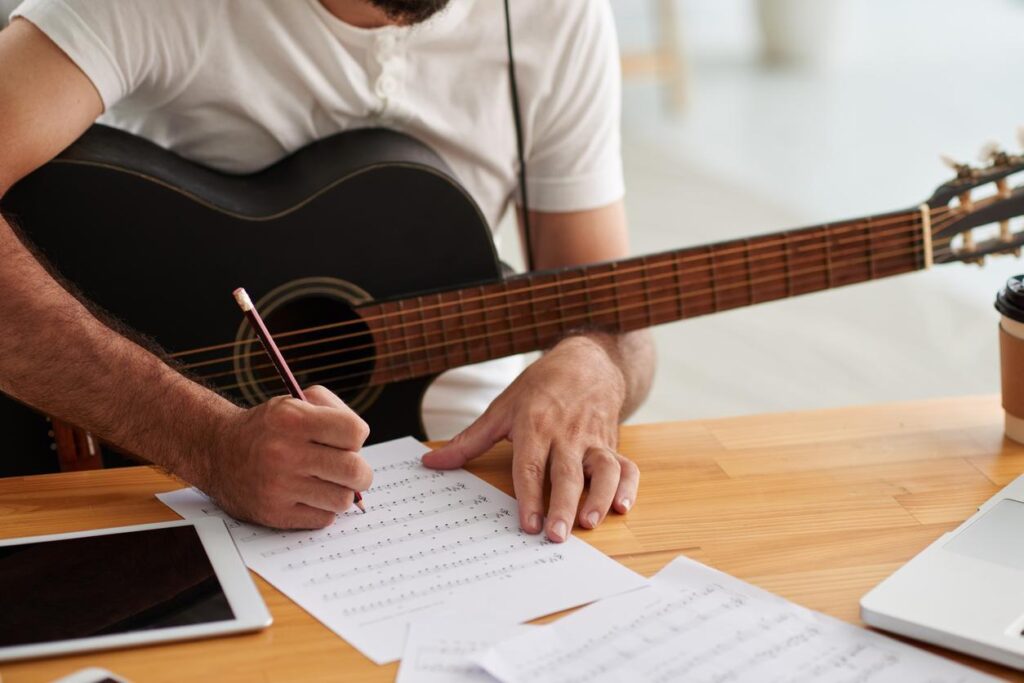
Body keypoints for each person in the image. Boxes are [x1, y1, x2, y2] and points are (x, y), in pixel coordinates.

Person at [0, 0, 655, 543]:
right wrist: (206, 441)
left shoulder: (556, 13)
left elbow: (608, 309)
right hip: (152, 477)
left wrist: (598, 360)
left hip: (467, 479)